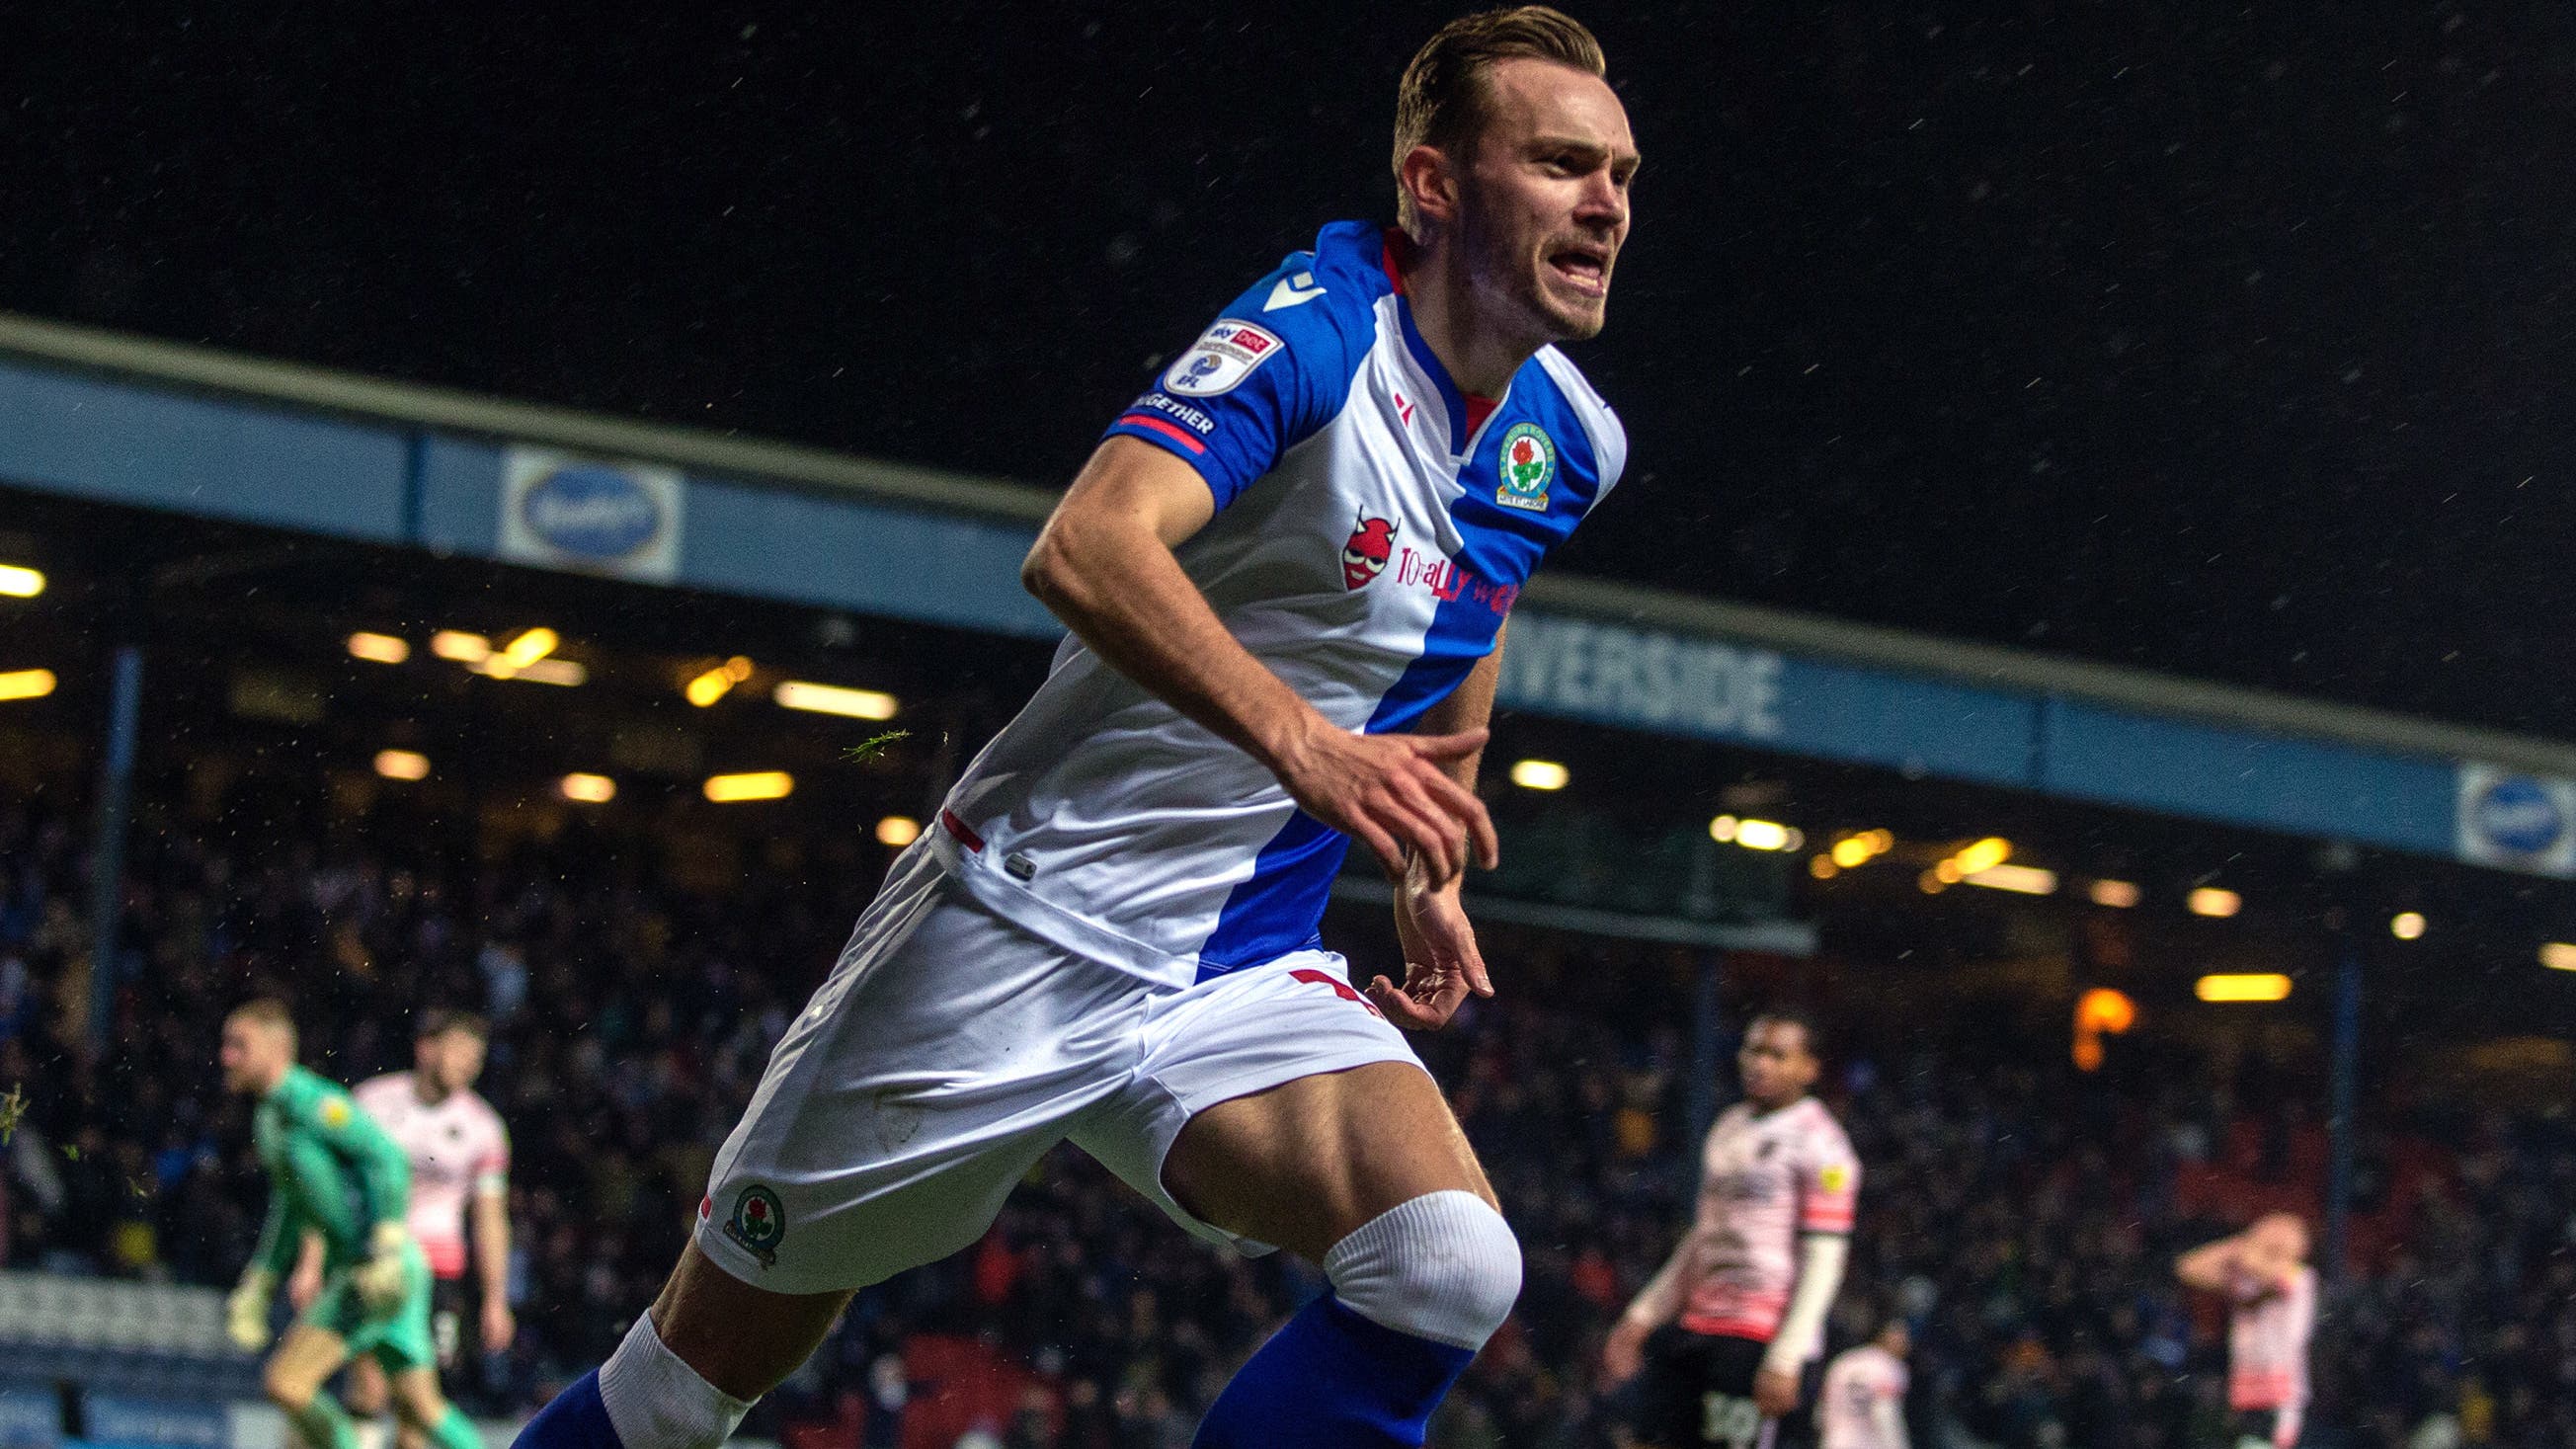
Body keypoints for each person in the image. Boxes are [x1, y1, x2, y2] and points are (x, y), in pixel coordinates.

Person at [514, 7, 1636, 1448]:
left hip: (1235, 965)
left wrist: (1433, 856)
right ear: (1433, 185)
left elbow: (1478, 599)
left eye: (1620, 172)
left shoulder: (1571, 438)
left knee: (1447, 1263)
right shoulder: (1309, 338)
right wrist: (1304, 743)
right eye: (1560, 162)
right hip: (1018, 920)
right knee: (683, 1391)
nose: (1606, 202)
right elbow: (1088, 544)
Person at [218, 1000, 481, 1449]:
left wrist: (385, 1240)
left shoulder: (314, 1103)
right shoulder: (268, 1118)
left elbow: (388, 1159)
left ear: (279, 1048)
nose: (227, 1056)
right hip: (390, 1268)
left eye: (240, 1045)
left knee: (287, 1384)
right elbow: (292, 1206)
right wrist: (262, 1277)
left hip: (377, 1269)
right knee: (423, 1407)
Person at [1604, 1011, 1860, 1449]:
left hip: (1759, 1337)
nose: (1760, 1063)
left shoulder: (1824, 1145)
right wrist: (1643, 1314)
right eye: (1754, 1050)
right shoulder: (1728, 1128)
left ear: (1809, 1068)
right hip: (1698, 1324)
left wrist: (1786, 1355)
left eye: (1778, 1055)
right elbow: (1702, 1238)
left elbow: (1825, 1259)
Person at [292, 1012, 515, 1448]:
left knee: (416, 1410)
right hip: (376, 1264)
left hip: (440, 1277)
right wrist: (310, 1262)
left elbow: (489, 1219)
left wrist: (495, 1298)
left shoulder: (484, 1128)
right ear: (426, 1048)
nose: (470, 1065)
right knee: (369, 1386)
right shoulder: (371, 1103)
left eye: (477, 1058)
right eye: (460, 1051)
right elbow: (327, 1188)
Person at [2176, 1212, 2316, 1449]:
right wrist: (2233, 1247)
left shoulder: (2300, 1276)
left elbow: (2273, 1275)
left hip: (2279, 1392)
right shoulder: (2244, 1274)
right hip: (2245, 1387)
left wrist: (2246, 1252)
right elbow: (2187, 1268)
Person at [1817, 1319, 1909, 1449]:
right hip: (1866, 1442)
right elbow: (1885, 1415)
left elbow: (1821, 1410)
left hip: (1834, 1440)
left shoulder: (1845, 1360)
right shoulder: (1891, 1367)